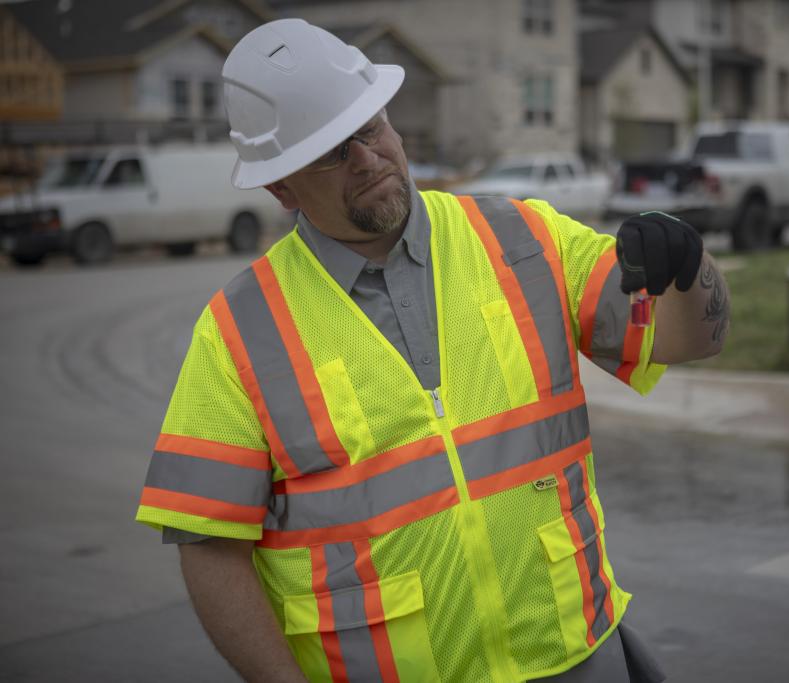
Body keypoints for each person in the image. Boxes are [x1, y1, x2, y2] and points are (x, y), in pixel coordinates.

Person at [136, 18, 729, 683]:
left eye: (370, 128)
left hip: (574, 657)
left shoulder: (523, 239)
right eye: (332, 152)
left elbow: (693, 337)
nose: (366, 158)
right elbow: (210, 547)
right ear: (281, 189)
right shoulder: (239, 328)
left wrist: (688, 266)